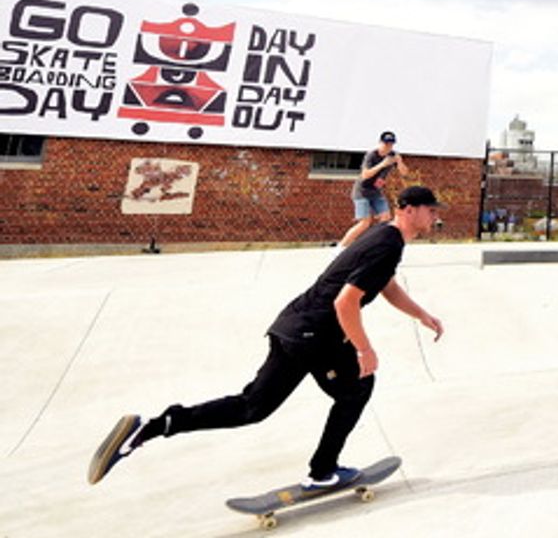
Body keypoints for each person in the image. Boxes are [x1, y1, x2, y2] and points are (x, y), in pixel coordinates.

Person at [88, 186, 446, 488]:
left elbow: (384, 284)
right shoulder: (388, 244)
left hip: (293, 325)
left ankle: (152, 427)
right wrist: (364, 348)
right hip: (316, 333)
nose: (435, 218)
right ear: (409, 210)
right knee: (357, 388)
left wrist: (423, 315)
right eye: (430, 211)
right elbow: (346, 301)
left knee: (252, 407)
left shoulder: (381, 235)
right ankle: (322, 471)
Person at [340, 131, 409, 247]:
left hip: (376, 192)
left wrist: (399, 162)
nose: (388, 147)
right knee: (364, 223)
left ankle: (375, 245)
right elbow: (365, 175)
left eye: (391, 144)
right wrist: (383, 164)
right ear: (380, 143)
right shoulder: (371, 155)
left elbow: (405, 173)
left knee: (386, 219)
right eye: (386, 144)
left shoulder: (393, 156)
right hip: (362, 191)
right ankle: (341, 247)